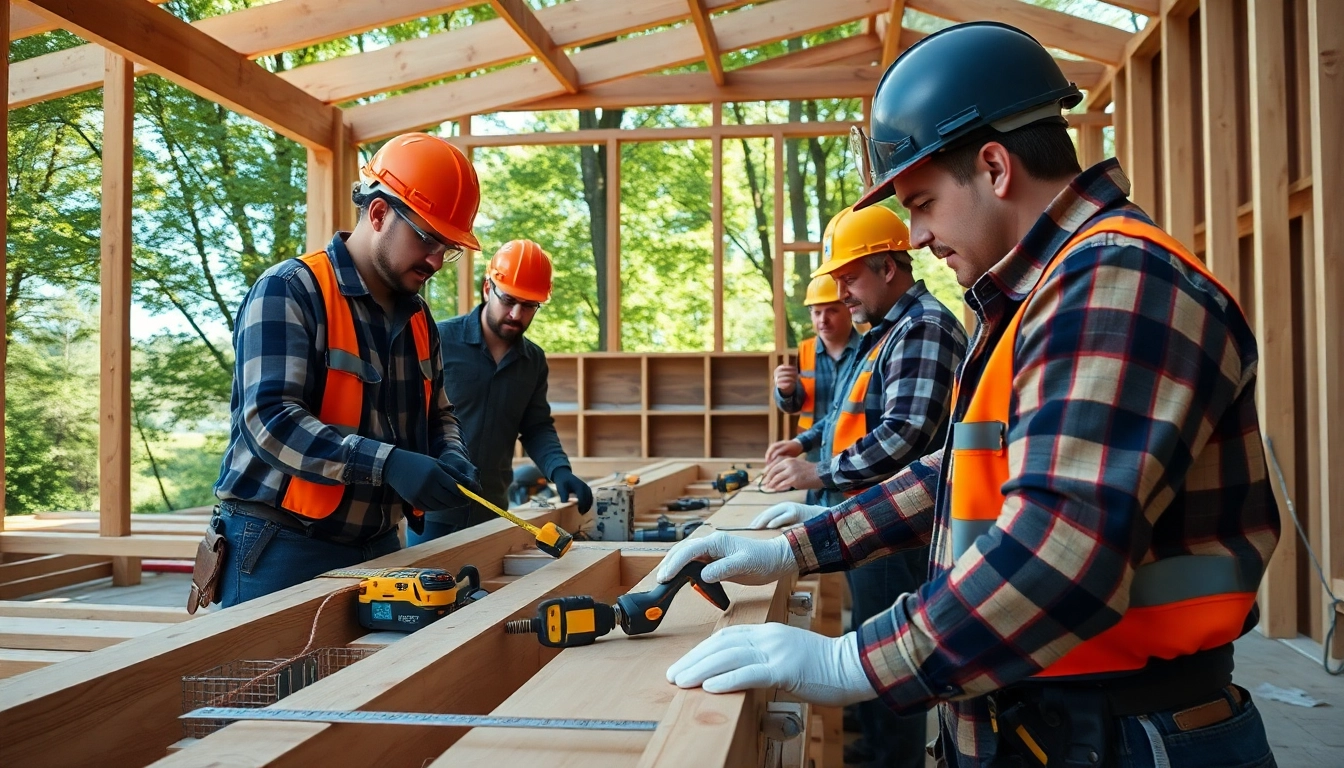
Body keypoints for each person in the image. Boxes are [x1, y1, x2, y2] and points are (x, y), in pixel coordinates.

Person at [655, 22, 1280, 768]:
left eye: (921, 202)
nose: (914, 236)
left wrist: (853, 660)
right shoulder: (1045, 293)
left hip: (1126, 731)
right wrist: (795, 546)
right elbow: (958, 471)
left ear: (993, 166)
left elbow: (1061, 549)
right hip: (1055, 720)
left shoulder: (1117, 280)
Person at [208, 132, 486, 607]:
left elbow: (440, 412)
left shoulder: (420, 320)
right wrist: (389, 463)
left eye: (449, 247)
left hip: (379, 548)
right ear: (378, 214)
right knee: (271, 685)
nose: (437, 260)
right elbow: (268, 422)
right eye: (428, 239)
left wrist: (451, 454)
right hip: (279, 547)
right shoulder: (289, 290)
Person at [758, 204, 966, 768]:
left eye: (849, 277)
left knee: (885, 674)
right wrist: (804, 445)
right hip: (868, 515)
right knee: (869, 668)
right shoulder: (885, 334)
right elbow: (850, 412)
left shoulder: (922, 327)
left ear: (886, 267)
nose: (841, 292)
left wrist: (819, 474)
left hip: (899, 529)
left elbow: (905, 434)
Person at [408, 239, 593, 544]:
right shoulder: (438, 340)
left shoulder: (532, 361)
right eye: (508, 300)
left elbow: (535, 427)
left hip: (492, 512)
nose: (516, 314)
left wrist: (559, 470)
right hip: (432, 512)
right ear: (487, 289)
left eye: (529, 305)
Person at [772, 275, 860, 473]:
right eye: (817, 312)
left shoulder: (869, 350)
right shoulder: (805, 352)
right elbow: (793, 405)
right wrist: (785, 391)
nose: (823, 320)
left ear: (849, 310)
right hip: (812, 452)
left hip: (854, 452)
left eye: (832, 311)